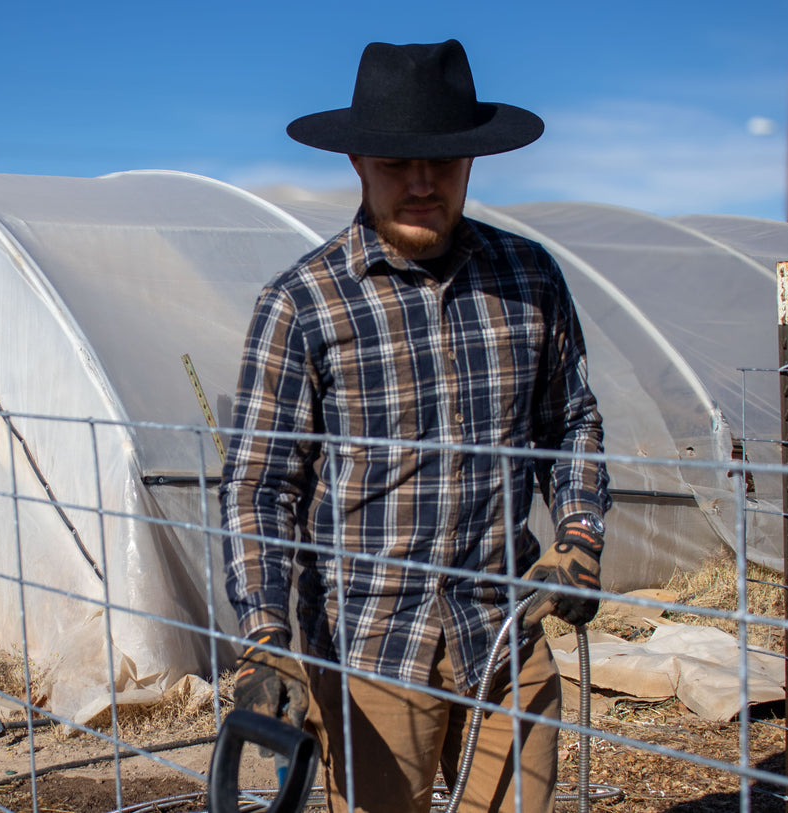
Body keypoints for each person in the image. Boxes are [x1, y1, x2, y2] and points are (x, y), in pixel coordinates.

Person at [219, 40, 612, 813]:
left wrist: (578, 532)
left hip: (503, 632)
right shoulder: (303, 303)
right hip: (369, 646)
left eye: (444, 163)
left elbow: (571, 422)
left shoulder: (529, 279)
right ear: (359, 162)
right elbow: (261, 485)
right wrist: (264, 638)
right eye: (398, 164)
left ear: (472, 163)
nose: (423, 184)